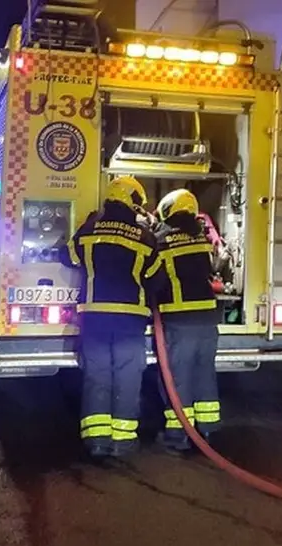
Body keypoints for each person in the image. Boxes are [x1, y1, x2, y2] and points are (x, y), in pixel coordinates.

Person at [62, 175, 158, 460]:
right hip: (130, 320)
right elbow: (155, 278)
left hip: (95, 317)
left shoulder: (89, 230)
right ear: (132, 200)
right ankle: (123, 441)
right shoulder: (145, 238)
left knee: (97, 375)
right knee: (128, 376)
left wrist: (86, 224)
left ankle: (97, 441)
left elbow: (68, 256)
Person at [145, 188, 222, 453]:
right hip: (207, 319)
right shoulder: (200, 239)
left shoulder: (161, 241)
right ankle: (208, 431)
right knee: (204, 376)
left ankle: (177, 437)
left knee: (178, 379)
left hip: (179, 319)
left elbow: (153, 279)